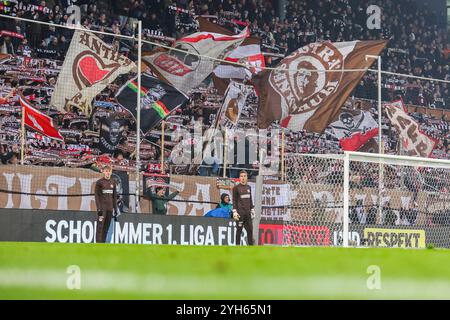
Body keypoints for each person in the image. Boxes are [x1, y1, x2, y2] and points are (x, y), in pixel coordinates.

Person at [94, 165, 118, 243]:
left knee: (106, 227)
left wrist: (115, 208)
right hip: (102, 209)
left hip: (110, 209)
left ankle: (103, 244)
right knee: (100, 226)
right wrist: (99, 208)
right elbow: (97, 196)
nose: (108, 173)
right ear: (103, 172)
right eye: (106, 171)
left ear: (111, 172)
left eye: (109, 171)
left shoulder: (113, 182)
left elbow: (114, 196)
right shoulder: (99, 182)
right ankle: (98, 244)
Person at [232, 170, 255, 245]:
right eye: (241, 176)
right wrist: (234, 211)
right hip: (240, 214)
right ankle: (237, 247)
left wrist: (252, 209)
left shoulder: (249, 187)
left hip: (248, 213)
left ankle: (251, 248)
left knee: (250, 230)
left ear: (247, 177)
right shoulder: (236, 188)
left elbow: (250, 199)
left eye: (244, 176)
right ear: (239, 178)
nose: (243, 178)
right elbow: (234, 200)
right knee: (239, 230)